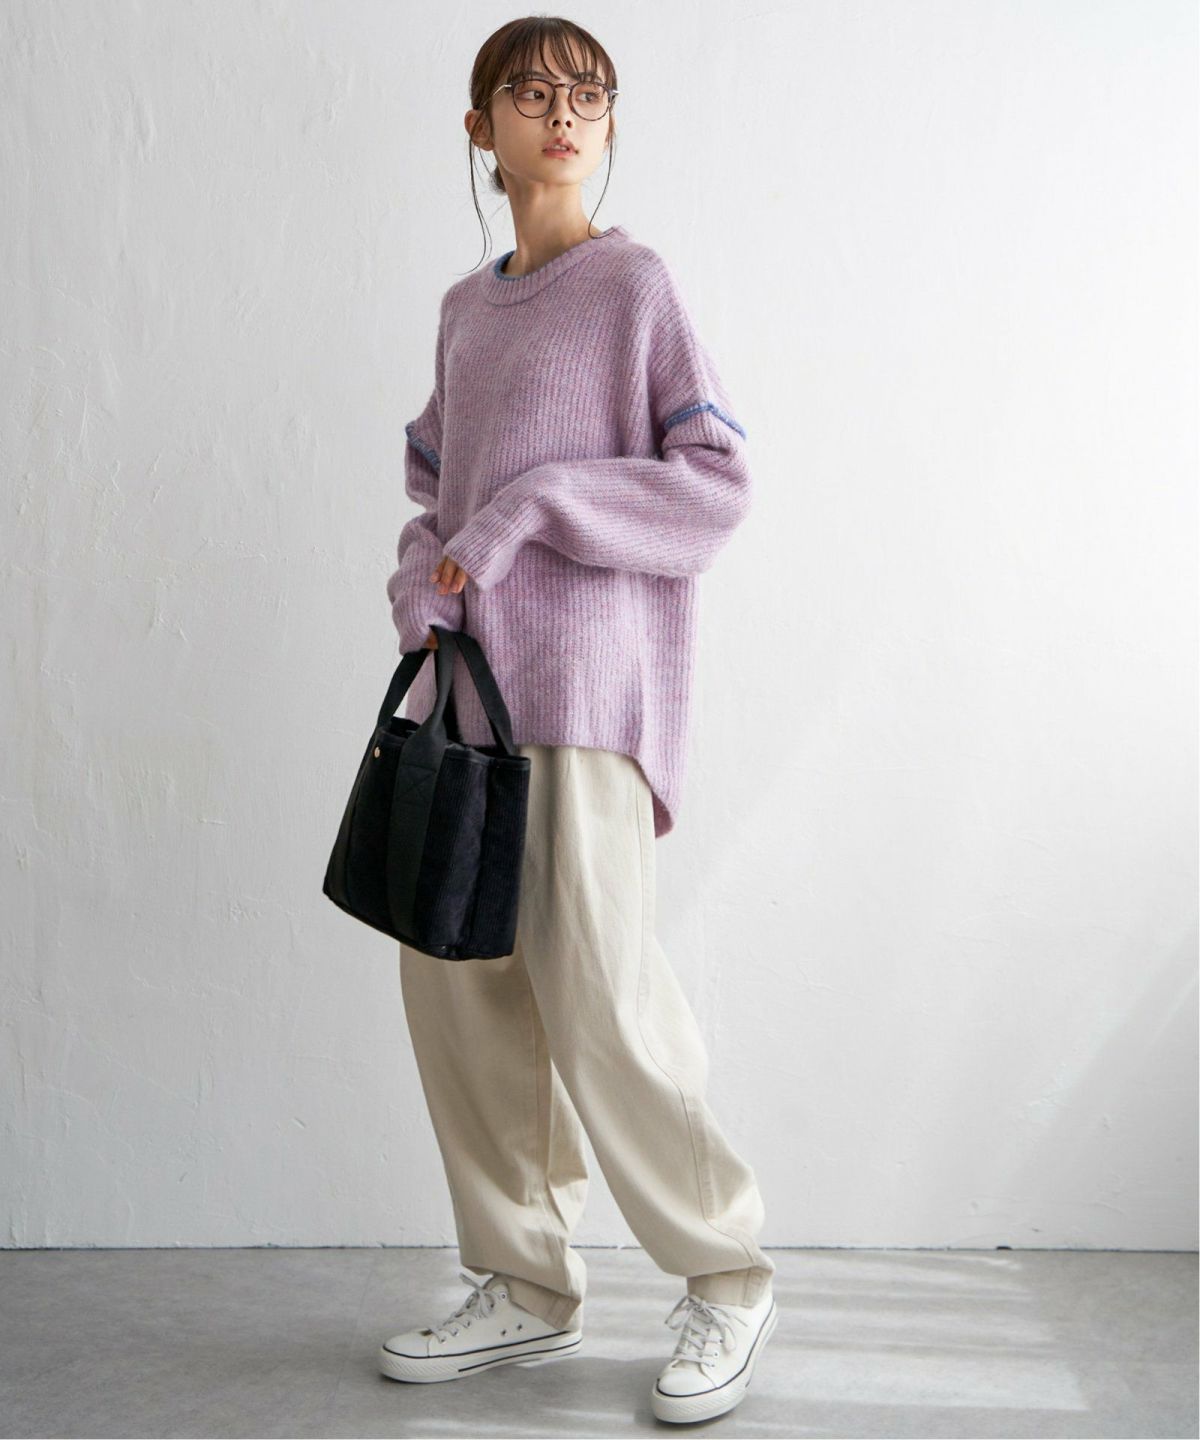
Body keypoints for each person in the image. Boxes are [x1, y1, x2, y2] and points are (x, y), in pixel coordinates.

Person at [378, 15, 777, 1424]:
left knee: (602, 998)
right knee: (463, 997)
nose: (564, 113)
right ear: (479, 127)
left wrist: (540, 504)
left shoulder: (633, 286)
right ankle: (525, 1283)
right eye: (532, 91)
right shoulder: (465, 309)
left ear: (608, 129)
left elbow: (713, 485)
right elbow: (435, 492)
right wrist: (418, 580)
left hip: (590, 695)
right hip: (467, 703)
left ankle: (727, 1274)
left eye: (588, 96)